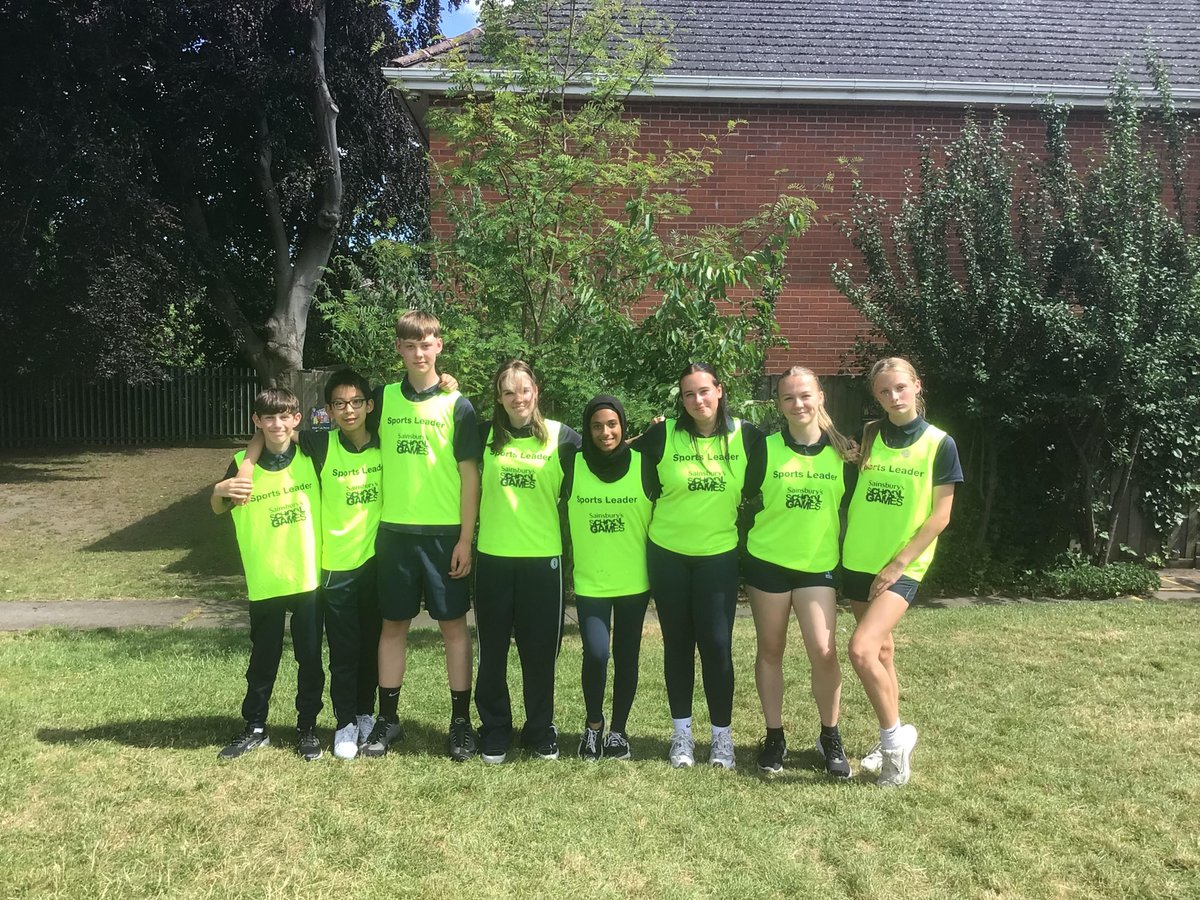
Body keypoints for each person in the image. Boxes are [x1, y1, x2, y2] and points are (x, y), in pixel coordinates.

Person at [235, 369, 385, 760]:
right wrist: (247, 465)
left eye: (355, 402)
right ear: (329, 411)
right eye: (339, 404)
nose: (348, 410)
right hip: (334, 567)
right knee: (343, 651)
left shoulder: (387, 441)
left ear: (369, 405)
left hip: (378, 563)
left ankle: (367, 714)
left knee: (372, 645)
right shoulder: (319, 443)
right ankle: (345, 721)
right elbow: (272, 431)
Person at [362, 310, 482, 762]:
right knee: (393, 626)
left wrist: (465, 539)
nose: (418, 352)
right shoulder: (382, 399)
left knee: (454, 627)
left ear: (439, 346)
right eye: (409, 345)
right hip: (394, 534)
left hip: (443, 537)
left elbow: (470, 478)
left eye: (426, 343)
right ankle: (388, 720)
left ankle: (460, 724)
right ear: (398, 348)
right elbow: (339, 426)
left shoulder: (458, 405)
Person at [842, 357, 962, 787]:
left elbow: (940, 517)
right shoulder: (871, 434)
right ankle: (895, 732)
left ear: (916, 386)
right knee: (882, 653)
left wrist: (898, 564)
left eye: (900, 388)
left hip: (903, 565)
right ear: (876, 396)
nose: (894, 397)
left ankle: (893, 748)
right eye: (884, 391)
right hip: (858, 558)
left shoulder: (939, 443)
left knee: (860, 650)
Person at [638, 363, 763, 769]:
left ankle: (722, 738)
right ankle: (682, 736)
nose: (698, 401)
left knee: (716, 645)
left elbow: (759, 488)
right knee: (677, 644)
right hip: (667, 554)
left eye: (705, 391)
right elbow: (618, 454)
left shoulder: (747, 437)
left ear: (720, 391)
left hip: (718, 557)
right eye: (689, 394)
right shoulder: (662, 434)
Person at [743, 366, 858, 776]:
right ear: (779, 404)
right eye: (789, 397)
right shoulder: (764, 447)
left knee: (824, 652)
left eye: (805, 395)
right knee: (771, 650)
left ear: (820, 396)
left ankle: (830, 735)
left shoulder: (844, 452)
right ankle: (774, 736)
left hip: (817, 566)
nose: (798, 404)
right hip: (767, 563)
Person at [474, 360, 582, 763]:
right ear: (498, 399)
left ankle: (540, 729)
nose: (517, 399)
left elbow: (606, 461)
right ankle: (496, 728)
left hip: (543, 563)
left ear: (536, 391)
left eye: (524, 390)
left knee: (540, 653)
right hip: (494, 560)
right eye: (508, 392)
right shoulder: (483, 437)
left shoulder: (563, 438)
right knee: (494, 652)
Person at [211, 387, 325, 761]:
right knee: (263, 658)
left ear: (296, 419)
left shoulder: (313, 454)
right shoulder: (242, 462)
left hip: (307, 578)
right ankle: (255, 726)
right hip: (265, 579)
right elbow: (218, 508)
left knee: (309, 658)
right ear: (257, 422)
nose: (277, 424)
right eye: (268, 418)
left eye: (284, 416)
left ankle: (307, 727)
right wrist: (219, 490)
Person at [563, 395, 654, 760]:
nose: (605, 432)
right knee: (597, 654)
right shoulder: (571, 466)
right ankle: (593, 726)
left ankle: (618, 731)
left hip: (634, 582)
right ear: (587, 428)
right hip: (590, 582)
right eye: (597, 425)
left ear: (623, 427)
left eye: (612, 424)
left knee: (626, 656)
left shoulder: (646, 465)